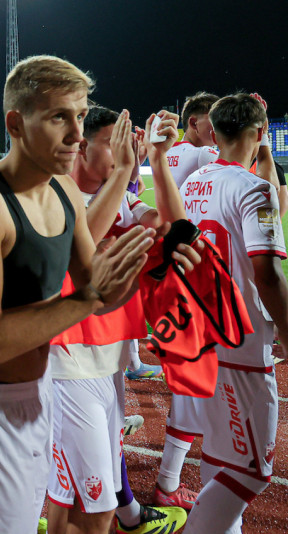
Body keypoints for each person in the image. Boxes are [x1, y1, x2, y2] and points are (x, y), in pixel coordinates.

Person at [0, 54, 201, 533]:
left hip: (38, 389)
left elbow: (93, 283)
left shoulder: (61, 188)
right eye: (60, 117)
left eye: (80, 116)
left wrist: (154, 267)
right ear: (15, 124)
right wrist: (92, 296)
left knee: (53, 515)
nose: (77, 134)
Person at [46, 106, 188, 534]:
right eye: (114, 142)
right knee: (96, 507)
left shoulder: (121, 196)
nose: (126, 149)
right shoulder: (54, 191)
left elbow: (173, 227)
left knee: (74, 495)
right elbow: (80, 245)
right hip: (67, 362)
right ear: (82, 147)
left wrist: (157, 160)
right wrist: (126, 170)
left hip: (108, 360)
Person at [181, 93, 287, 534]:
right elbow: (267, 275)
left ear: (214, 131)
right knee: (252, 469)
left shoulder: (192, 182)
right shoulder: (253, 188)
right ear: (261, 133)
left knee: (222, 452)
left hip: (200, 334)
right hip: (241, 341)